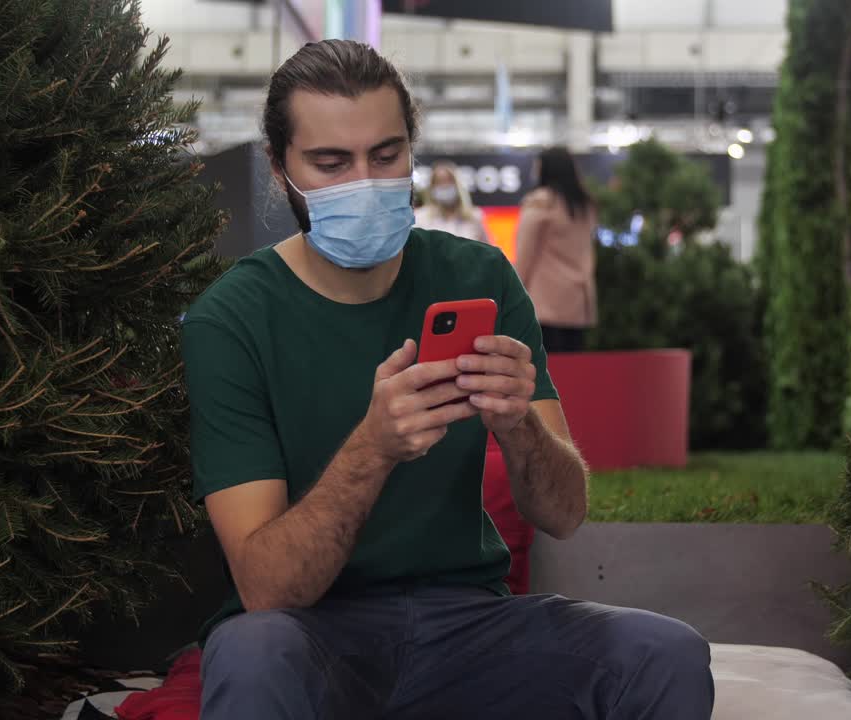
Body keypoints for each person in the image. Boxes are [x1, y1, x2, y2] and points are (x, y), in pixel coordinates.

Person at [181, 39, 713, 720]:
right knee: (252, 653)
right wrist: (373, 447)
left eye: (386, 155)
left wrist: (519, 424)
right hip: (312, 635)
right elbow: (267, 588)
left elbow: (564, 513)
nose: (365, 182)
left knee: (666, 653)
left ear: (413, 150)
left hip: (468, 626)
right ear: (280, 169)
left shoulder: (479, 277)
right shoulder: (232, 318)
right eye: (331, 163)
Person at [514, 147, 598, 354]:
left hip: (545, 303)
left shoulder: (540, 203)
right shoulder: (584, 205)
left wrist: (513, 292)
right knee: (574, 367)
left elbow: (524, 255)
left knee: (547, 367)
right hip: (578, 302)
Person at [414, 160, 491, 243]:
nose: (444, 186)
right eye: (439, 182)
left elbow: (488, 248)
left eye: (448, 181)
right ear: (432, 187)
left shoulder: (474, 216)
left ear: (457, 184)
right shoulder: (419, 218)